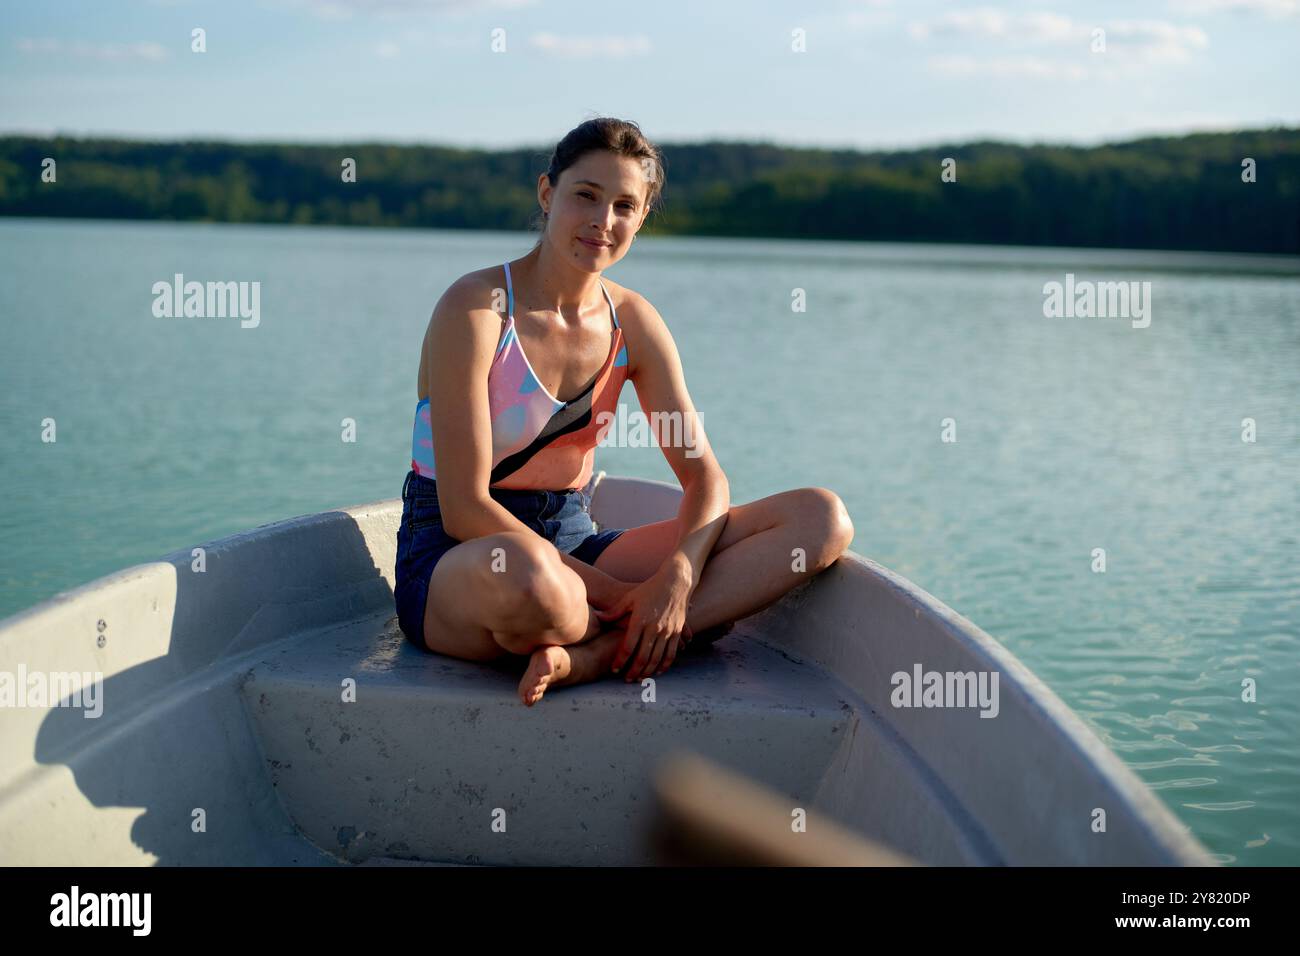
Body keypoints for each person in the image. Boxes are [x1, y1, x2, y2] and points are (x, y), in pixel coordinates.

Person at [394, 117, 854, 706]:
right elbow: (463, 508)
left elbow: (703, 477)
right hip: (459, 556)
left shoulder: (633, 322)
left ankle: (597, 654)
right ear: (546, 193)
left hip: (572, 537)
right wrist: (619, 594)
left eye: (623, 206)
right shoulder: (479, 309)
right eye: (585, 195)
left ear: (641, 219)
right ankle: (634, 634)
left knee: (820, 519)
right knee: (538, 580)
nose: (601, 222)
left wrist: (677, 580)